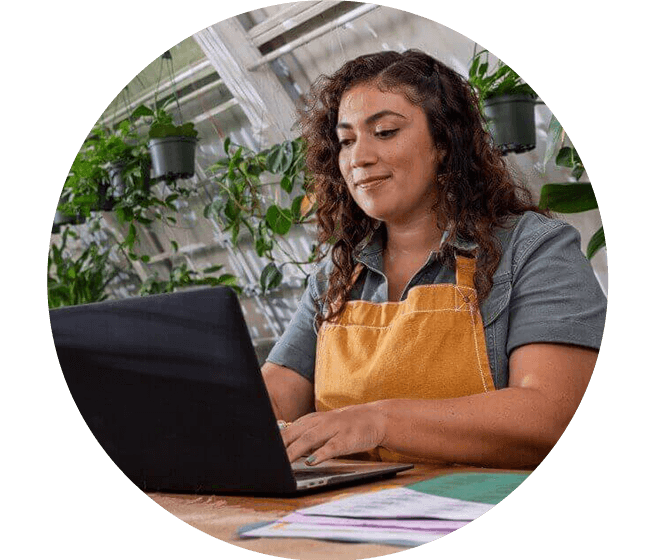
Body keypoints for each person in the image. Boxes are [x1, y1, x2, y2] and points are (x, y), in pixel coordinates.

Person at [261, 49, 606, 469]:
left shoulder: (533, 250)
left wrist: (380, 421)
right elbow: (276, 393)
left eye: (385, 131)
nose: (359, 157)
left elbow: (551, 417)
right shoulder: (334, 276)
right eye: (346, 140)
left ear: (444, 142)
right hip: (346, 513)